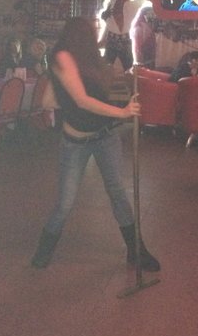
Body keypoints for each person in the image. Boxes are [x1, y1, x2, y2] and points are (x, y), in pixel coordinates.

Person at [30, 17, 160, 272]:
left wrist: (120, 89)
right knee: (65, 202)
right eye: (94, 31)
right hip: (76, 141)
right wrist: (122, 112)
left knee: (117, 192)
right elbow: (80, 100)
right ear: (81, 34)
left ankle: (136, 251)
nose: (97, 35)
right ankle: (44, 250)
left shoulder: (89, 59)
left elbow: (51, 101)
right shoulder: (62, 56)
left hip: (104, 135)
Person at [101, 0, 150, 71]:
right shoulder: (112, 4)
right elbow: (108, 25)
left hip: (123, 40)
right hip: (112, 39)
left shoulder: (130, 5)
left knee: (128, 69)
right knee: (107, 68)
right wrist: (102, 39)